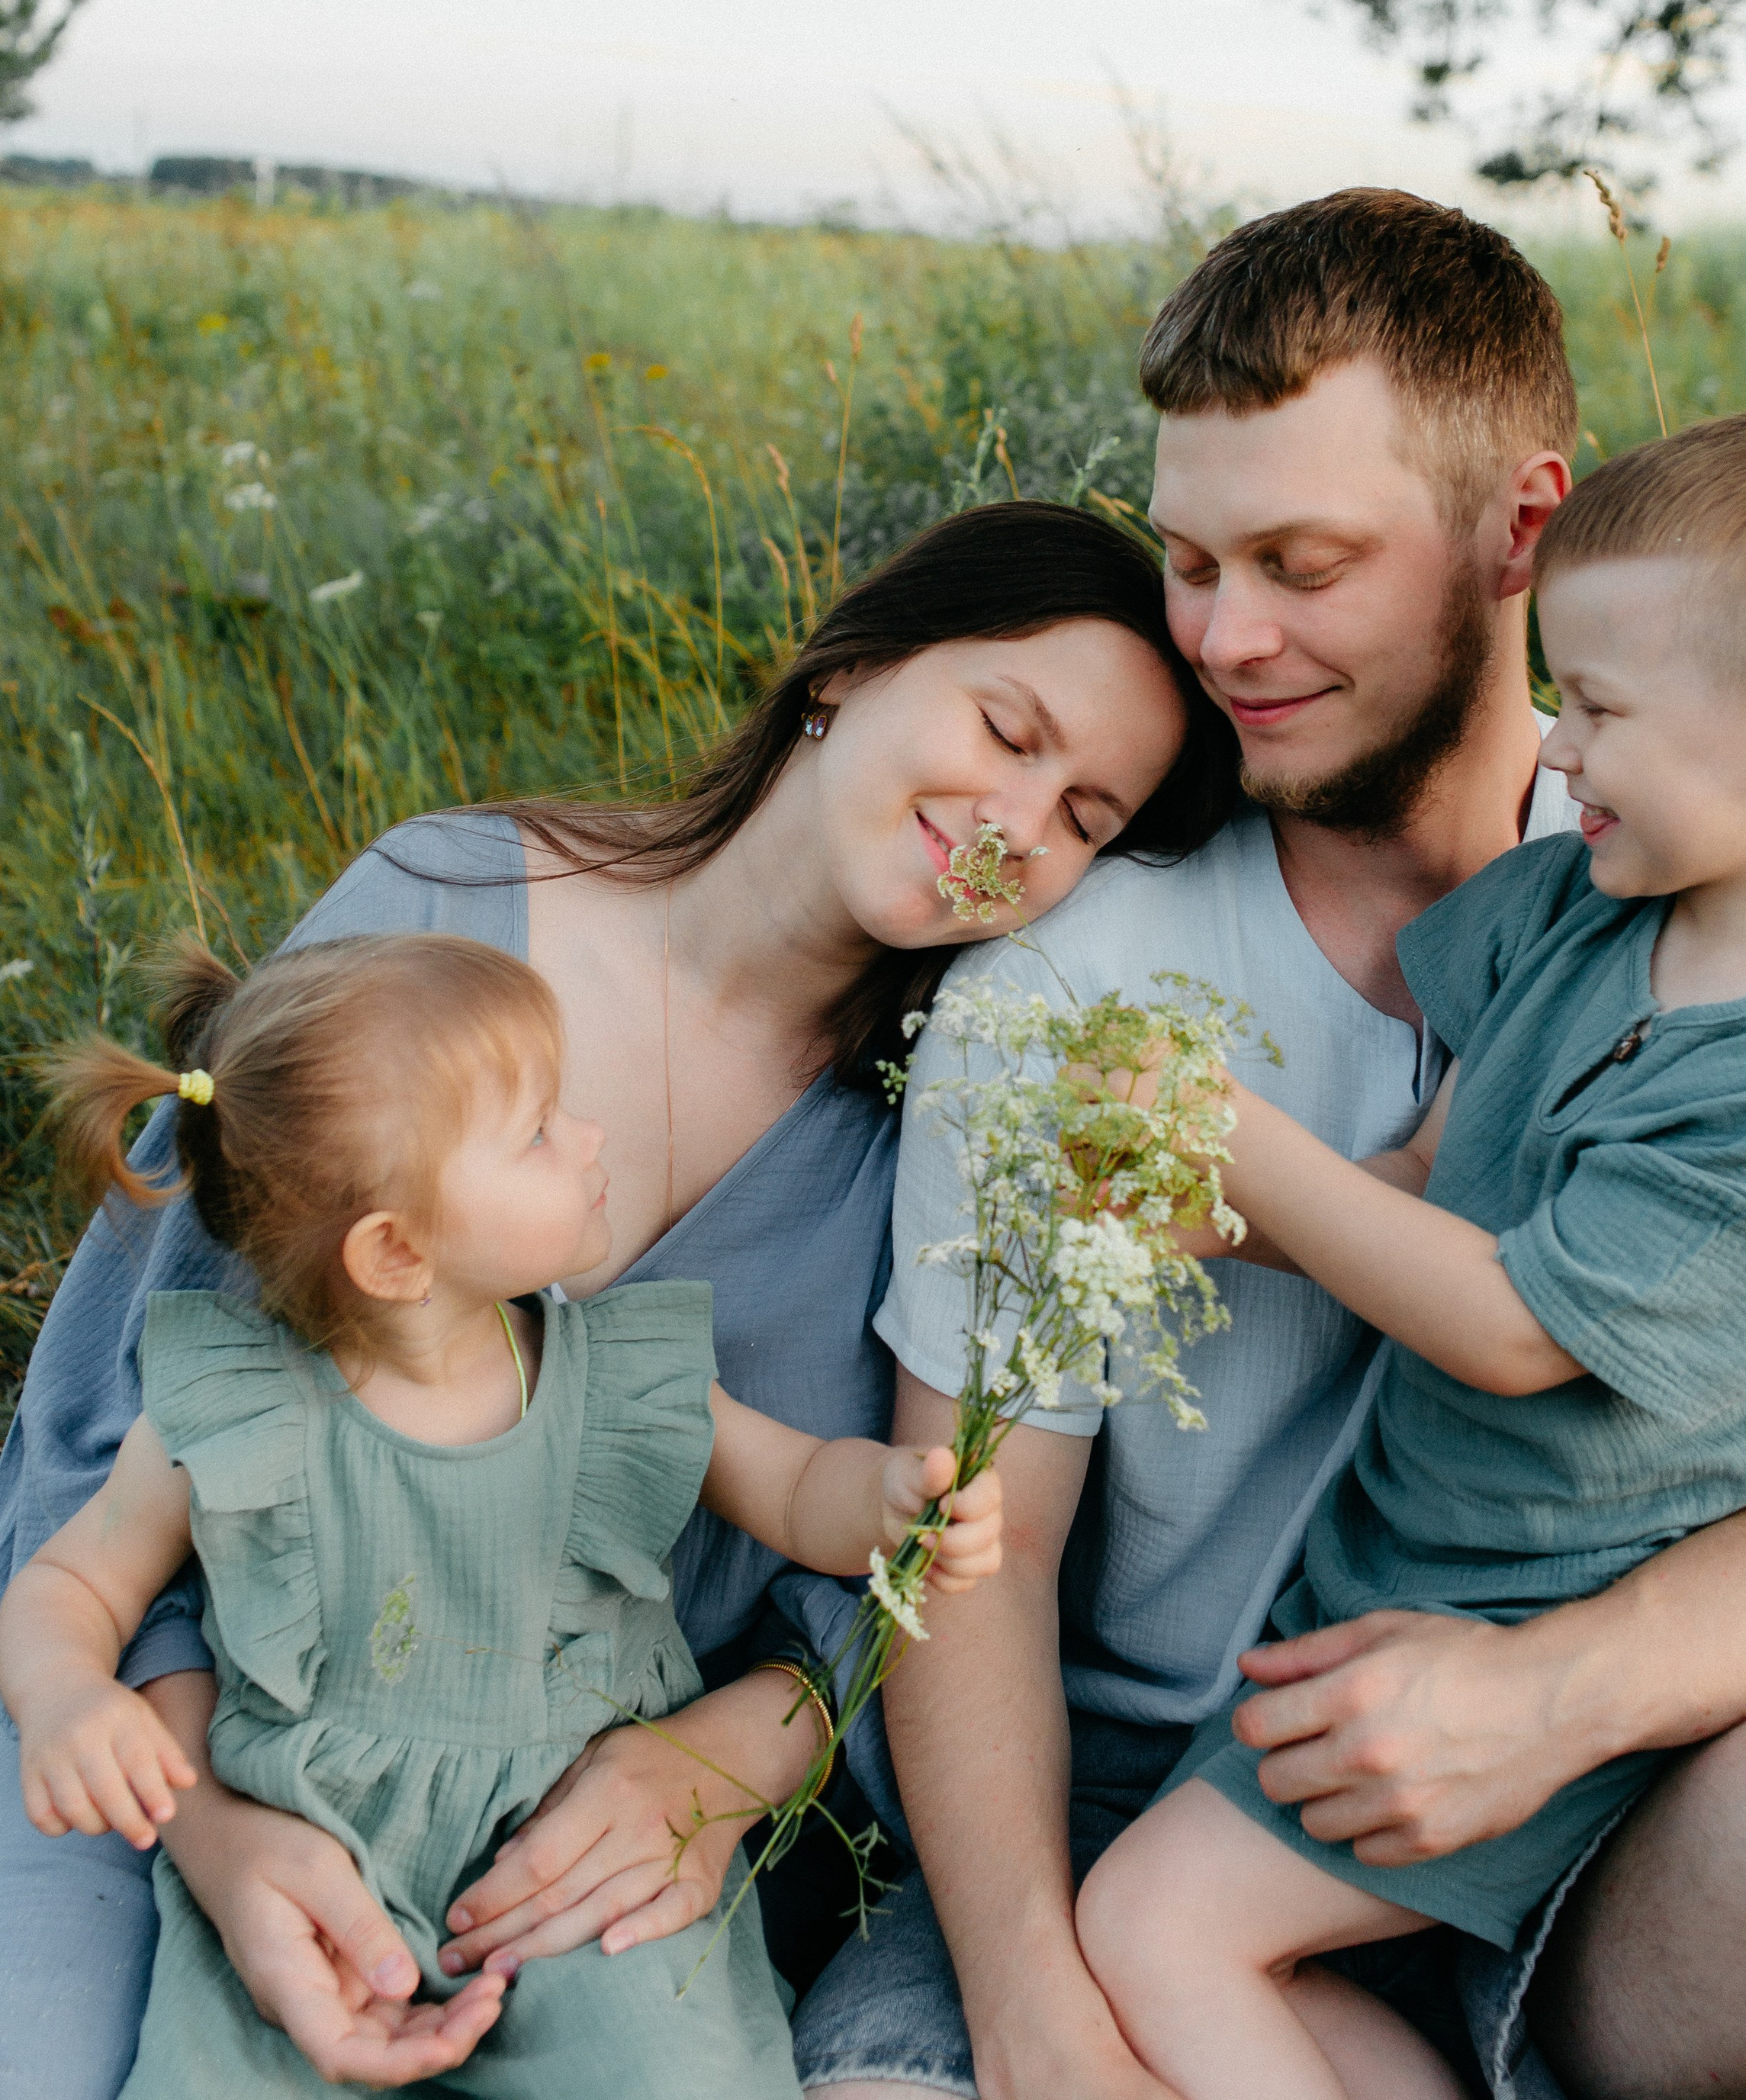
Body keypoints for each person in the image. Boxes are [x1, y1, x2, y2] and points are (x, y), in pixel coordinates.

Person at [798, 195, 1746, 2100]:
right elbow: (970, 1556)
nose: (1225, 637)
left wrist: (1549, 1696)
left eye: (1300, 561)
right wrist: (1031, 2015)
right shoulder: (1078, 987)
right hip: (1140, 1824)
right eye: (1186, 560)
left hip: (1604, 1815)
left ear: (1522, 524)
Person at [0, 500, 1239, 2100]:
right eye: (1004, 731)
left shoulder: (939, 1119)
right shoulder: (443, 907)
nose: (1014, 821)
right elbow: (120, 1420)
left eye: (1081, 812)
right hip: (186, 1758)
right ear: (844, 671)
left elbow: (878, 1578)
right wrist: (223, 1833)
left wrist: (725, 1762)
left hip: (586, 1848)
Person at [1074, 397, 1746, 2099]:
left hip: (1555, 1649)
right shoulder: (1581, 911)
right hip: (1387, 1588)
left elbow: (1505, 1325)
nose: (1551, 750)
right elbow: (1419, 1176)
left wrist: (1235, 1139)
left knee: (1154, 1927)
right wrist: (1224, 1217)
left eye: (1602, 709)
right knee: (1193, 1953)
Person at [2, 928, 1007, 2098]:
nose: (588, 1141)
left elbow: (792, 1490)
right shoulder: (232, 1410)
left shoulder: (614, 1378)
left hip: (576, 1862)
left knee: (673, 2071)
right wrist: (67, 1691)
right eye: (536, 1133)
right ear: (395, 1251)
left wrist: (888, 1497)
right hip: (311, 1866)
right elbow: (72, 1583)